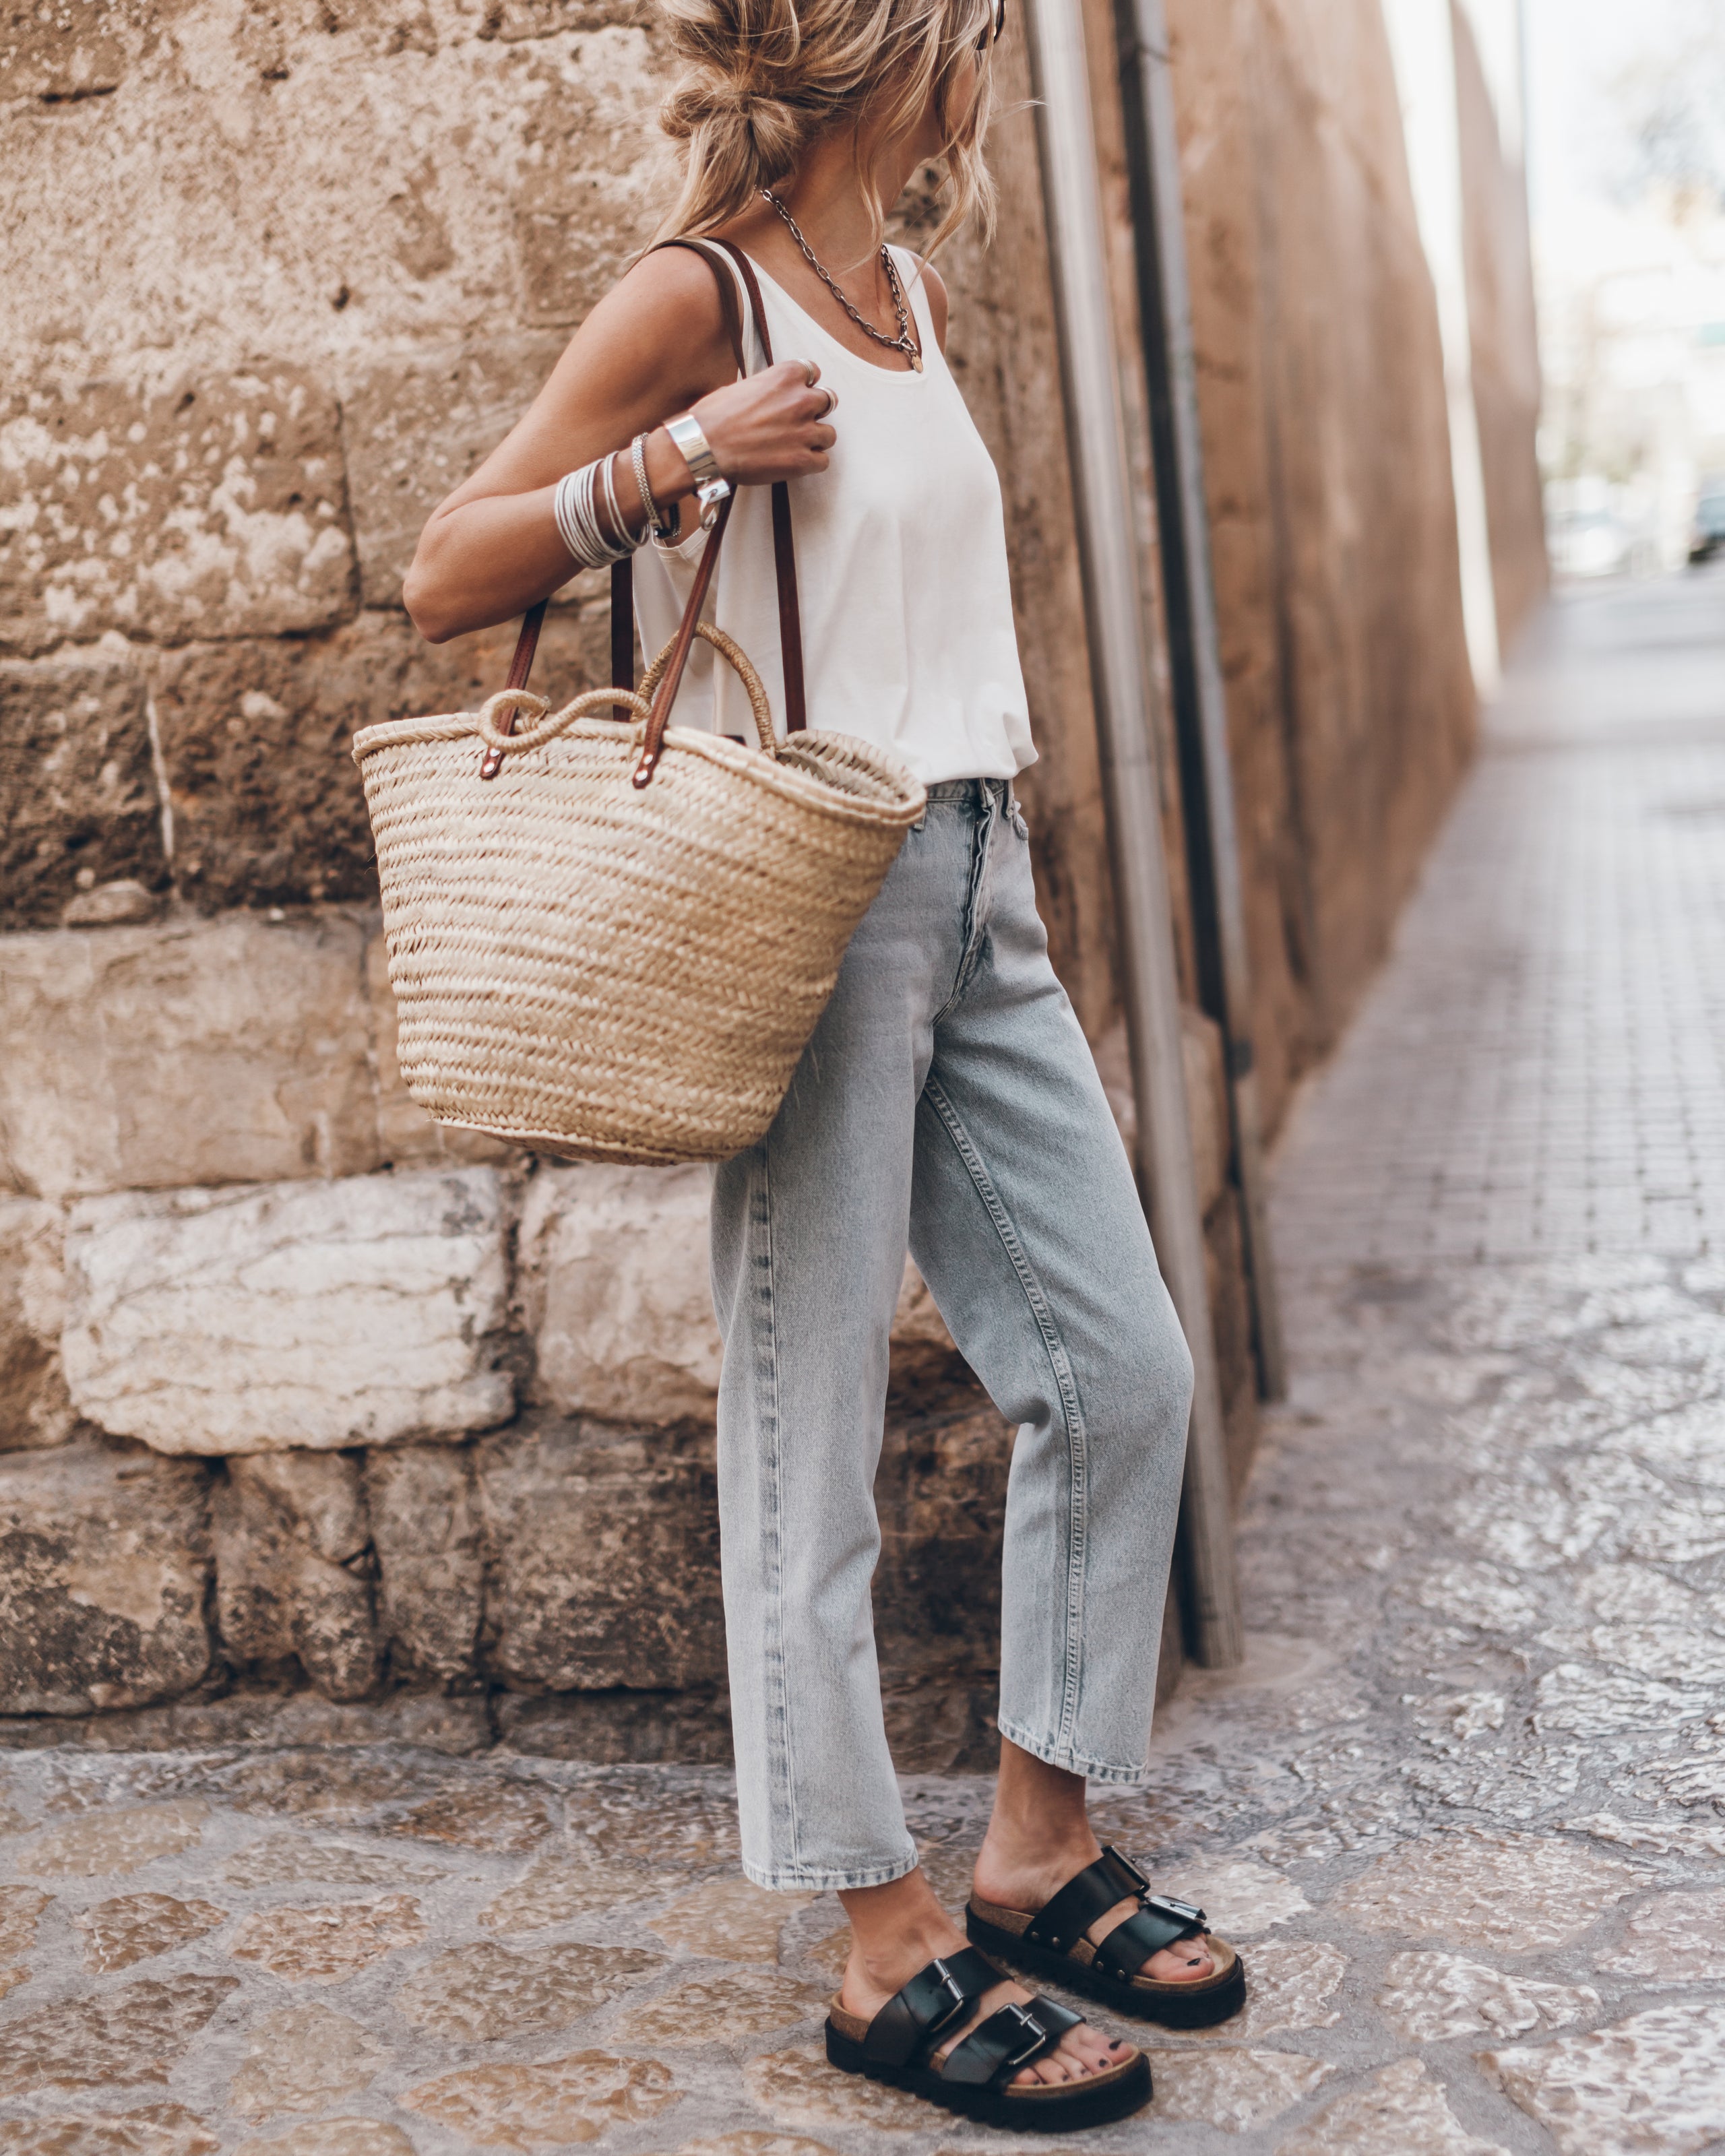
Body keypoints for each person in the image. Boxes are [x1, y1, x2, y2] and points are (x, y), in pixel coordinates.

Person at [405, 0, 1244, 2127]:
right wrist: (671, 463)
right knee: (810, 1433)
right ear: (899, 55)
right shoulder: (699, 291)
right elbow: (446, 572)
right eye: (971, 31)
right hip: (818, 900)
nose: (995, 62)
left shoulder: (911, 293)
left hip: (987, 876)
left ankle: (1035, 1843)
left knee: (1122, 1365)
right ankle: (883, 1952)